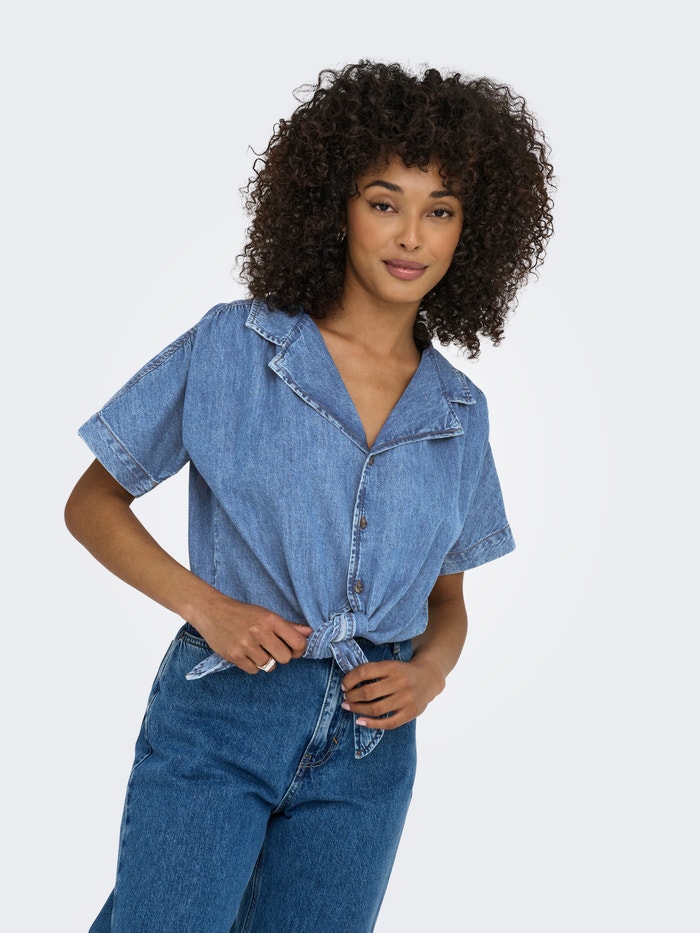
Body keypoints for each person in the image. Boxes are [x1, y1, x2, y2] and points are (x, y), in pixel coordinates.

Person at [65, 60, 554, 932]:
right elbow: (92, 502)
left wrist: (430, 672)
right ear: (335, 205)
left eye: (440, 210)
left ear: (471, 231)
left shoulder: (458, 411)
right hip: (225, 711)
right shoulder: (235, 345)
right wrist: (208, 606)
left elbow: (447, 602)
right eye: (385, 202)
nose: (412, 236)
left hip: (370, 751)